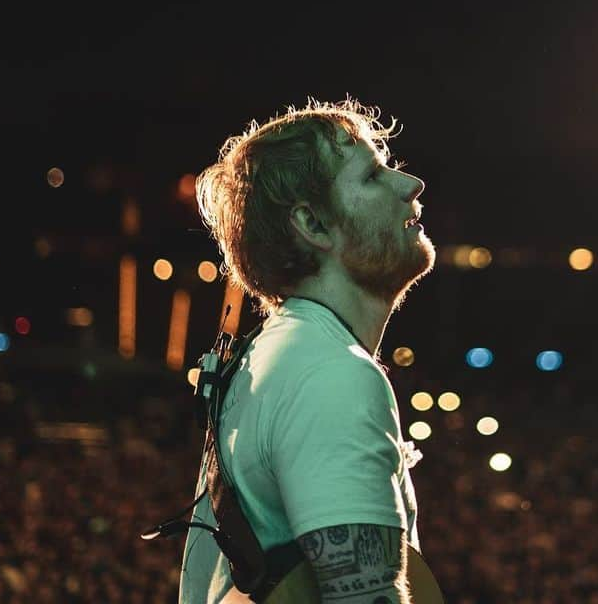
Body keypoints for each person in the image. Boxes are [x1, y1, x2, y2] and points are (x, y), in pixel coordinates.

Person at [178, 97, 435, 603]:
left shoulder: (280, 353)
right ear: (312, 225)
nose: (411, 185)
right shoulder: (330, 374)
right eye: (372, 176)